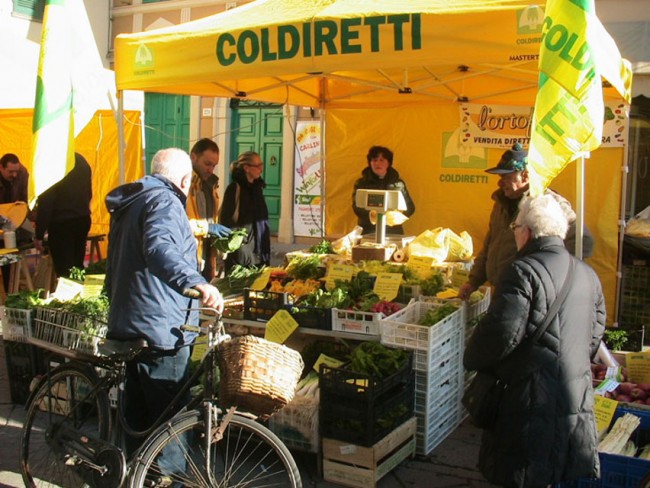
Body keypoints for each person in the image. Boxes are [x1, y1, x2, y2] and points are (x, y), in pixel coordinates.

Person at [463, 194, 606, 488]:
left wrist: (471, 358)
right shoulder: (587, 274)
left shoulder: (522, 271)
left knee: (523, 472)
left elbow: (501, 335)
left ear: (525, 232)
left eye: (515, 228)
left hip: (528, 397)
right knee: (551, 470)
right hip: (572, 394)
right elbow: (594, 336)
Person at [104, 147, 224, 461]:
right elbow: (160, 249)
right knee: (170, 425)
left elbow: (118, 260)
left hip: (128, 321)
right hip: (161, 329)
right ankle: (166, 480)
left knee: (139, 421)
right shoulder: (165, 201)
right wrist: (195, 281)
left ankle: (136, 478)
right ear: (185, 180)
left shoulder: (133, 201)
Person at [458, 142, 594, 300]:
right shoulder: (501, 204)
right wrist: (473, 282)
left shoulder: (548, 203)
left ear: (525, 175)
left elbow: (584, 241)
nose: (500, 183)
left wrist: (549, 274)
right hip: (502, 289)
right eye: (500, 177)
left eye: (506, 177)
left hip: (529, 292)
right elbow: (489, 246)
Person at [33, 153, 92, 278]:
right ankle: (80, 295)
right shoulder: (81, 160)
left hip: (62, 223)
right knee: (77, 265)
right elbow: (89, 192)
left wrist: (39, 233)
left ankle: (70, 296)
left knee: (64, 268)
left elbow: (46, 200)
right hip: (82, 217)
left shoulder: (51, 162)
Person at [219, 151, 270, 273]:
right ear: (246, 168)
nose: (261, 169)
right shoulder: (234, 189)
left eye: (261, 165)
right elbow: (227, 221)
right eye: (257, 166)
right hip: (241, 253)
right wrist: (241, 248)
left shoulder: (257, 189)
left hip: (259, 250)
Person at [187, 138, 230, 281]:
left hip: (206, 256)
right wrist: (208, 228)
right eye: (207, 164)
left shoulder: (211, 185)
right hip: (189, 256)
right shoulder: (184, 185)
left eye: (214, 165)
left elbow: (211, 217)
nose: (210, 169)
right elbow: (181, 224)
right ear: (193, 157)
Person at [352, 145, 415, 235]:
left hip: (393, 231)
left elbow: (410, 207)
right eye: (374, 160)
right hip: (369, 231)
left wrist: (396, 217)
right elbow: (357, 207)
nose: (378, 163)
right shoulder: (361, 183)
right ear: (370, 163)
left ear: (388, 163)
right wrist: (373, 216)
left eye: (382, 160)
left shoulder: (398, 183)